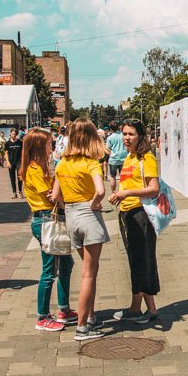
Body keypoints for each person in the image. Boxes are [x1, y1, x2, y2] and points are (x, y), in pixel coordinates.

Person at [50, 119, 108, 341]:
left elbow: (55, 196)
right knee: (89, 274)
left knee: (88, 269)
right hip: (88, 216)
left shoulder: (62, 163)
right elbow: (101, 190)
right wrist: (93, 203)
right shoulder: (91, 163)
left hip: (72, 217)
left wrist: (69, 207)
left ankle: (90, 317)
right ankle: (83, 327)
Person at [21, 128, 76, 332]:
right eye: (49, 143)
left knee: (67, 262)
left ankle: (64, 309)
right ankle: (42, 316)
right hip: (45, 219)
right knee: (49, 270)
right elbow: (51, 196)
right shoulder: (34, 169)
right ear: (38, 146)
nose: (52, 147)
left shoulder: (43, 167)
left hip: (52, 218)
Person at [110, 119, 161, 324]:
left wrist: (127, 193)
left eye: (131, 134)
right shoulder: (129, 158)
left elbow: (154, 188)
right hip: (127, 214)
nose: (126, 138)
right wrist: (119, 195)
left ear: (140, 136)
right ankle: (145, 308)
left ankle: (138, 308)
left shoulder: (146, 158)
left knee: (141, 260)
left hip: (141, 214)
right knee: (137, 260)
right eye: (124, 134)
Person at [104, 121, 128, 202]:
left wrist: (111, 153)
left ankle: (113, 192)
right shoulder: (123, 135)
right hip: (124, 158)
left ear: (110, 128)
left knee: (113, 177)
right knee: (123, 176)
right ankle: (122, 191)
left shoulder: (110, 137)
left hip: (113, 159)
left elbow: (107, 149)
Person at [3, 129, 23, 199]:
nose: (13, 135)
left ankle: (20, 191)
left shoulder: (20, 142)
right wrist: (7, 162)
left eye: (15, 134)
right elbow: (6, 153)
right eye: (12, 134)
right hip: (11, 162)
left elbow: (23, 152)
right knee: (12, 178)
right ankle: (14, 192)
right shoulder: (7, 143)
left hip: (19, 162)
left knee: (20, 176)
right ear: (10, 134)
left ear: (16, 134)